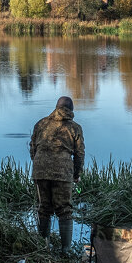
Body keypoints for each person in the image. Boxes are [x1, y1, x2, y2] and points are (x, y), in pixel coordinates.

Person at [29, 95, 85, 250]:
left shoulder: (40, 124)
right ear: (71, 110)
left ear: (56, 107)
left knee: (43, 208)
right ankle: (65, 250)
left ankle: (43, 246)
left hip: (40, 171)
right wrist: (76, 174)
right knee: (65, 210)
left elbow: (33, 148)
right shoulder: (74, 127)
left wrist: (38, 164)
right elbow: (80, 154)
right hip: (63, 172)